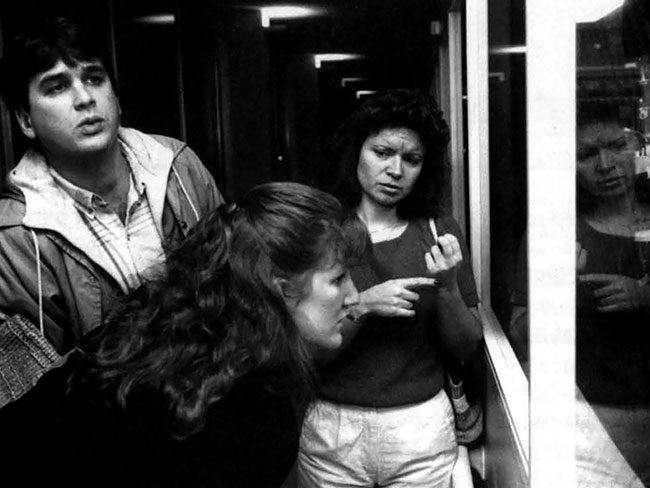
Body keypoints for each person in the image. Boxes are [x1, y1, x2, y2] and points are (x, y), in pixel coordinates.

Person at [0, 181, 365, 487]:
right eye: (338, 278)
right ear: (278, 286)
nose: (354, 296)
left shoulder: (159, 326)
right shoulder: (249, 416)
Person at [0, 16, 223, 402]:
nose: (85, 98)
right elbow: (41, 393)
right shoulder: (17, 235)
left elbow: (239, 288)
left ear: (116, 96)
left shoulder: (178, 167)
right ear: (26, 120)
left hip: (217, 399)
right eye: (57, 87)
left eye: (94, 78)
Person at [298, 89, 484, 487]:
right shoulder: (319, 232)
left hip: (419, 425)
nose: (396, 170)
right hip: (334, 425)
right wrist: (362, 305)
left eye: (411, 159)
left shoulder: (438, 231)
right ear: (356, 154)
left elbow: (466, 346)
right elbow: (304, 352)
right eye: (382, 153)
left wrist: (448, 287)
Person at [573, 100, 650, 484]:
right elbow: (519, 338)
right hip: (599, 422)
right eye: (586, 155)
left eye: (616, 147)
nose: (605, 165)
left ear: (637, 146)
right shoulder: (562, 233)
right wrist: (558, 288)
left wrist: (645, 295)